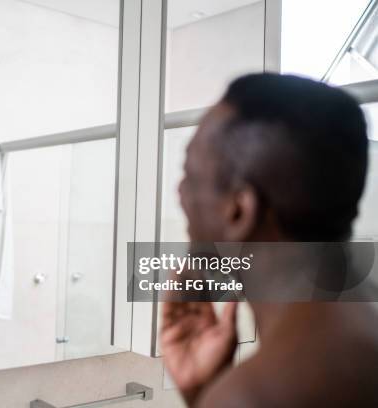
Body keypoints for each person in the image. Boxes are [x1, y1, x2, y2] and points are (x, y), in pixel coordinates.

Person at [161, 73, 378, 407]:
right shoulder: (359, 328)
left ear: (238, 211)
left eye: (190, 174)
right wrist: (207, 393)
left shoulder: (259, 394)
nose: (179, 193)